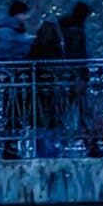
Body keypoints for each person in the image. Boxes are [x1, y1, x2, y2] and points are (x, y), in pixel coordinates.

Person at [0, 0, 32, 156]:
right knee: (13, 111)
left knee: (13, 111)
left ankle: (12, 144)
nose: (26, 18)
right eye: (24, 14)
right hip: (13, 76)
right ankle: (10, 145)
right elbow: (11, 49)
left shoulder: (9, 30)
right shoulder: (9, 31)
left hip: (13, 76)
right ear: (19, 14)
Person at [59, 1, 97, 153]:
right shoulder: (76, 30)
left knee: (64, 111)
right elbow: (79, 54)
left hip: (65, 76)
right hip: (76, 76)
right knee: (84, 112)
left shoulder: (64, 27)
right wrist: (83, 75)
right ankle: (90, 144)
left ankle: (58, 143)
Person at [28, 12, 68, 155]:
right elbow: (63, 64)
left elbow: (30, 62)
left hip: (38, 87)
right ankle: (55, 149)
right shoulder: (57, 47)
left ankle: (41, 150)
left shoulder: (36, 45)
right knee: (54, 117)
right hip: (54, 85)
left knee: (39, 118)